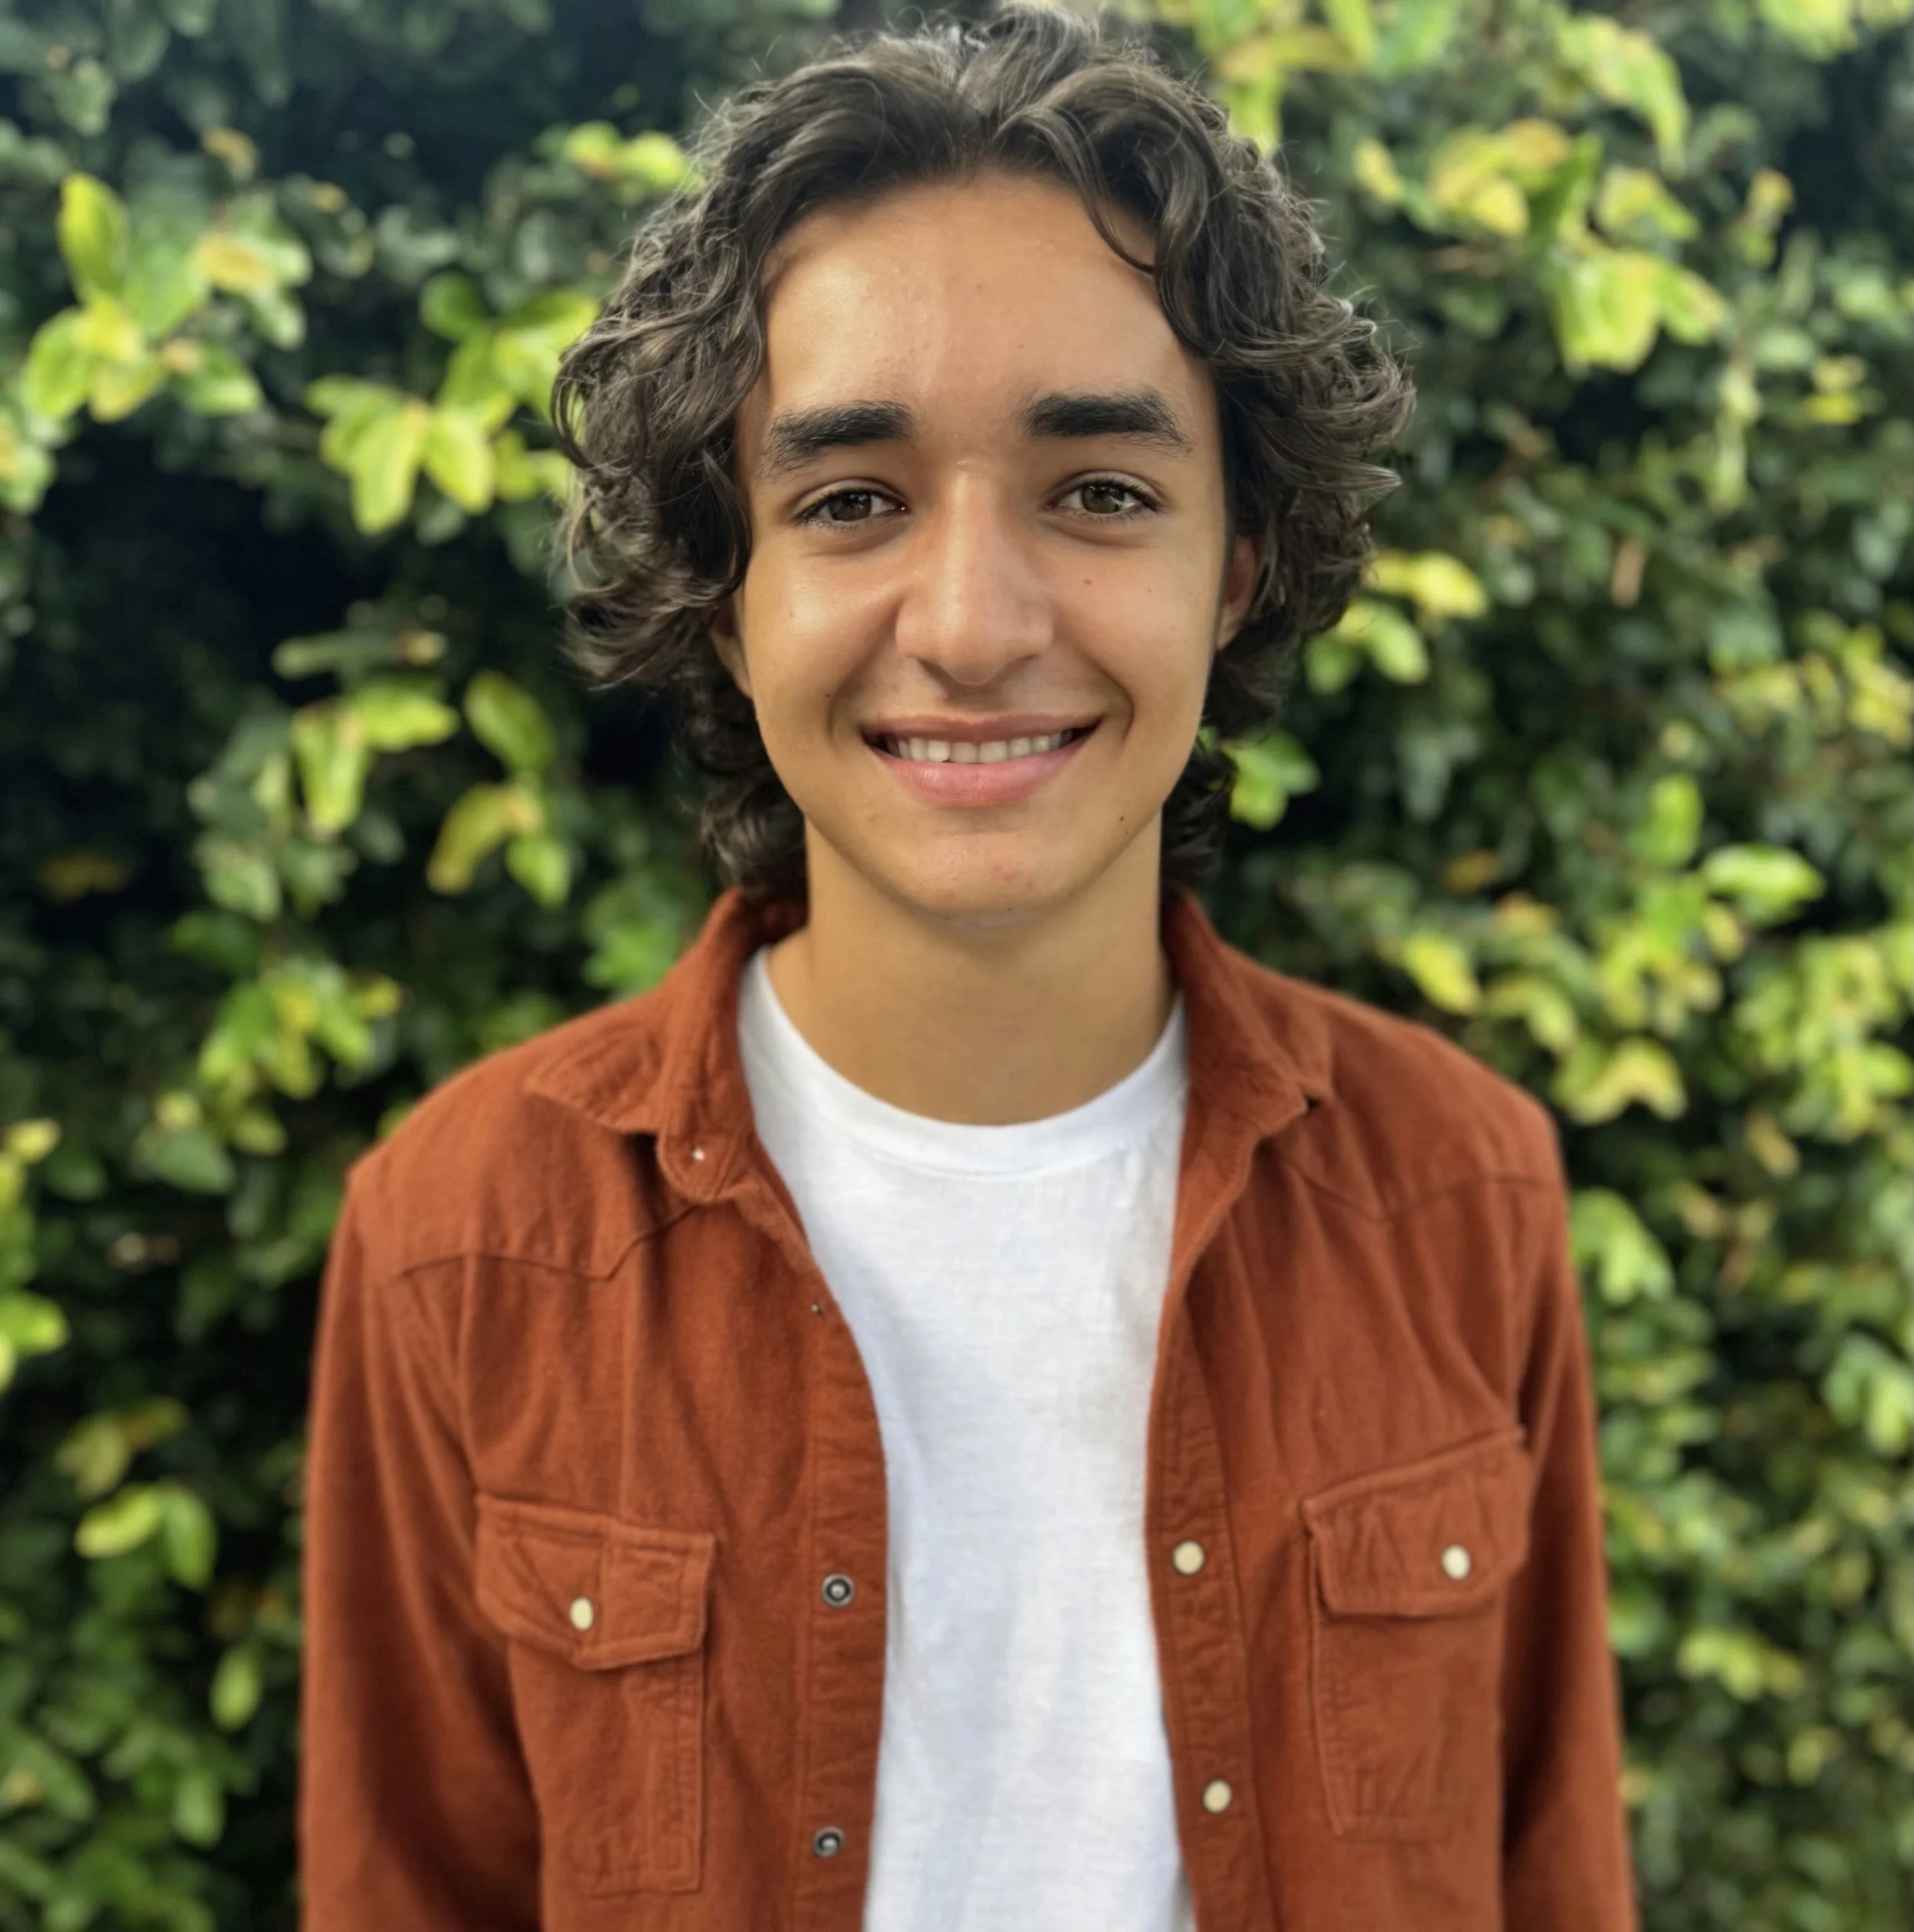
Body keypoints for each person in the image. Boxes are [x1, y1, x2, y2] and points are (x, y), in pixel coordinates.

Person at [296, 6, 1639, 1929]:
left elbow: (1550, 1875)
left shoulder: (1460, 1190)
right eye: (849, 501)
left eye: (1097, 489)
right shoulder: (460, 1236)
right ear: (729, 588)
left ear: (1235, 561)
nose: (972, 623)